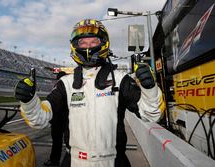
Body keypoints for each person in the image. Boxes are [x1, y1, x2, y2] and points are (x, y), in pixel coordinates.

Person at [14, 19, 165, 167]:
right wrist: (28, 101)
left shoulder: (121, 79)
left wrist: (150, 88)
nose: (88, 47)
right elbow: (39, 119)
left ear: (103, 43)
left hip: (114, 160)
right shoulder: (65, 83)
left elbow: (152, 114)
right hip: (74, 160)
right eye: (83, 43)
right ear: (75, 46)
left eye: (93, 42)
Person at [44, 71, 68, 167]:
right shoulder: (69, 86)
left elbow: (53, 101)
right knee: (69, 142)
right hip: (67, 119)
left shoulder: (58, 85)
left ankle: (54, 161)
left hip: (58, 119)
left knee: (57, 142)